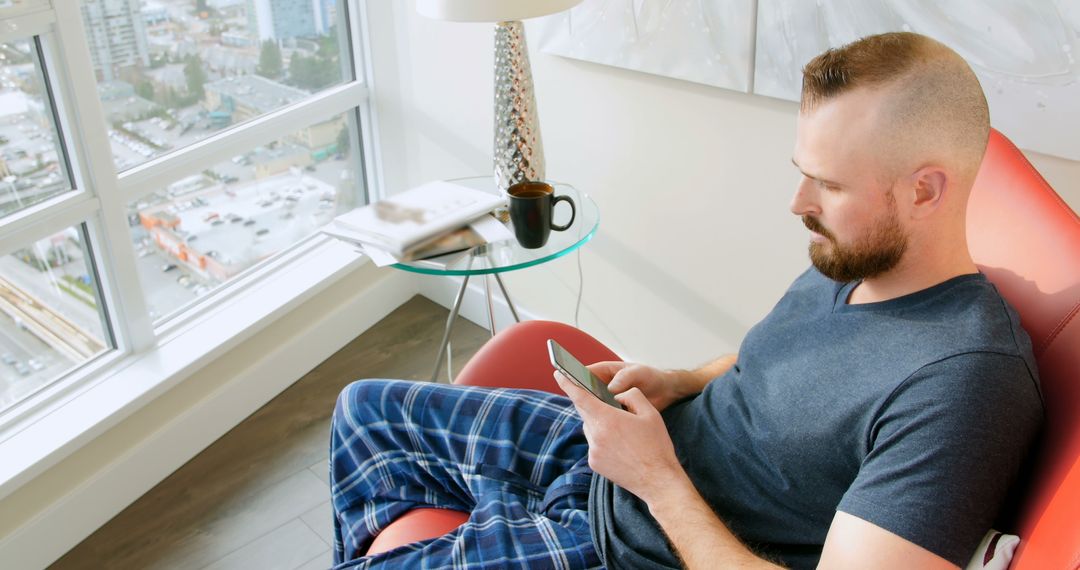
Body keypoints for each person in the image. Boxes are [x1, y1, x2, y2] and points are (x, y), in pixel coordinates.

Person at [329, 31, 1043, 569]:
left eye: (826, 184)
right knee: (363, 411)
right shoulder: (857, 257)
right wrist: (683, 379)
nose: (797, 202)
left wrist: (657, 481)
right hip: (626, 454)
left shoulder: (966, 384)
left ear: (924, 190)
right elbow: (788, 363)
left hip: (631, 544)